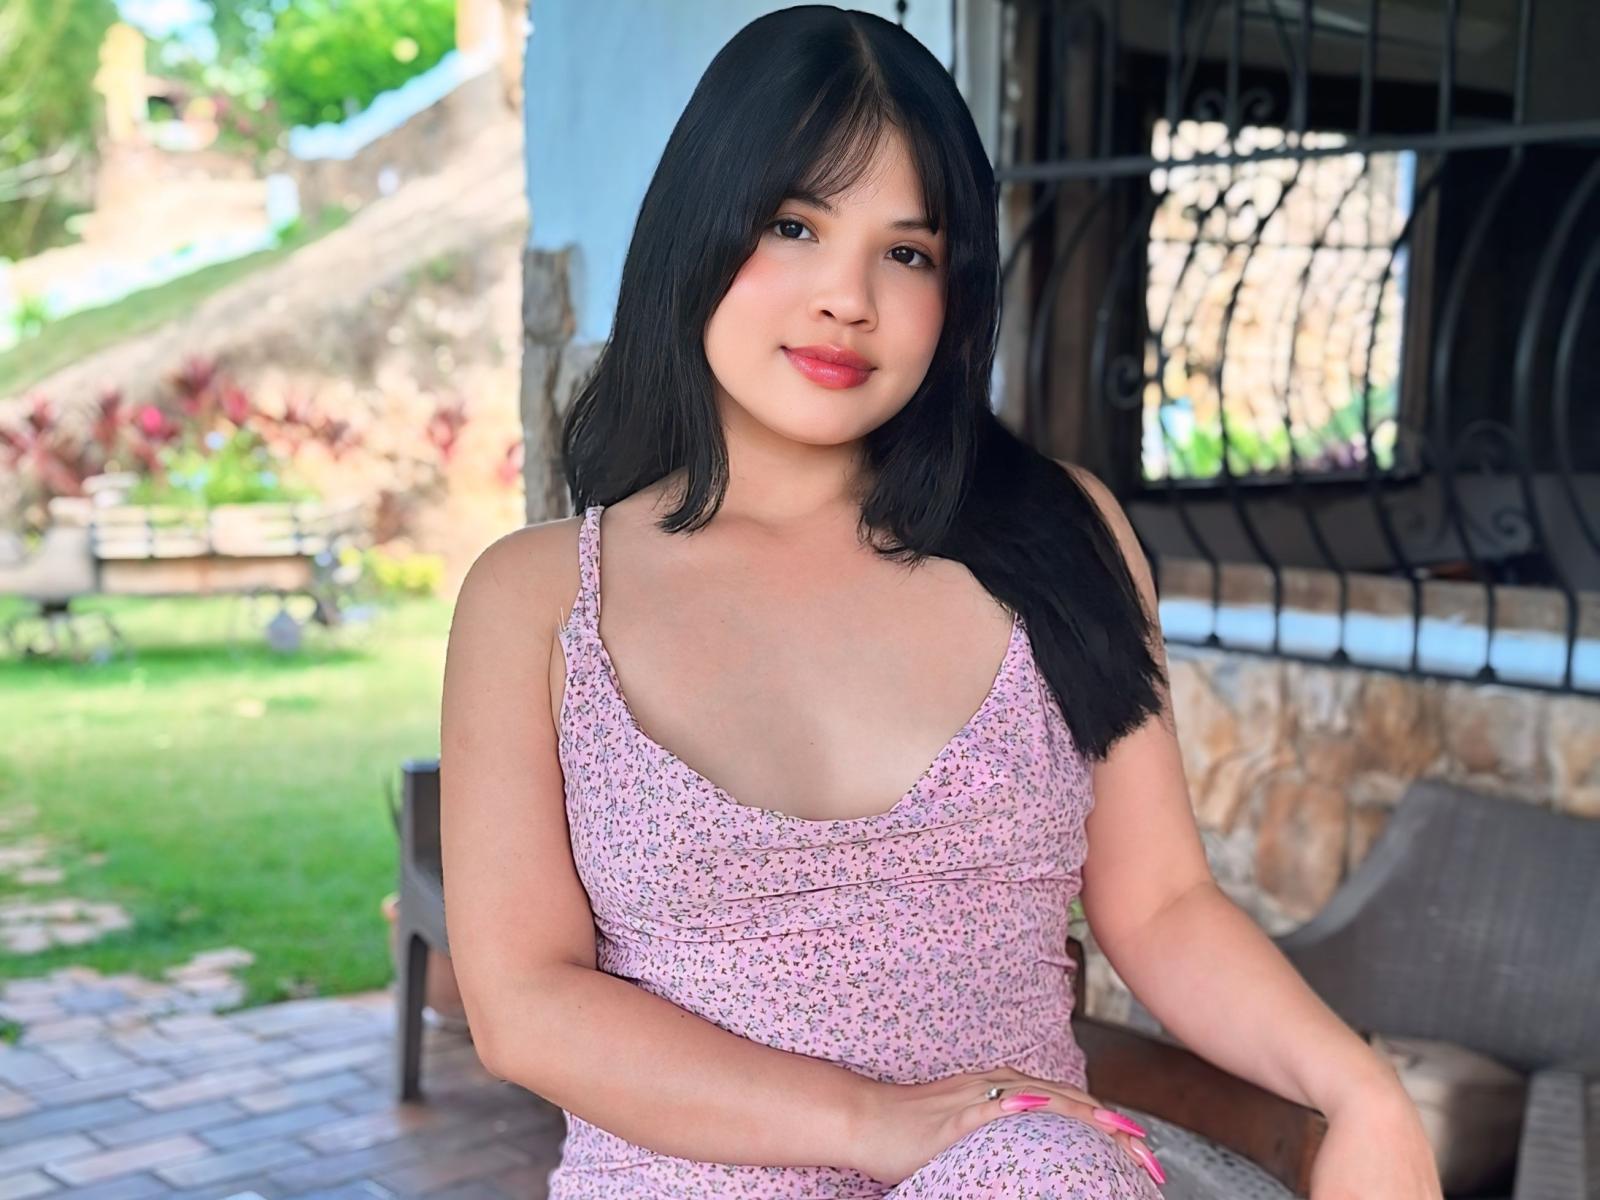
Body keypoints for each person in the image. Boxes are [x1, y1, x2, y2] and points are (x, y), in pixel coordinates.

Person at [439, 6, 1443, 1197]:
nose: (847, 297)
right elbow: (526, 1007)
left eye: (906, 252)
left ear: (954, 291)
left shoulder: (1059, 537)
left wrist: (1358, 1091)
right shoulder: (540, 601)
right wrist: (866, 1122)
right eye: (793, 225)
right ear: (694, 232)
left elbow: (1163, 902)